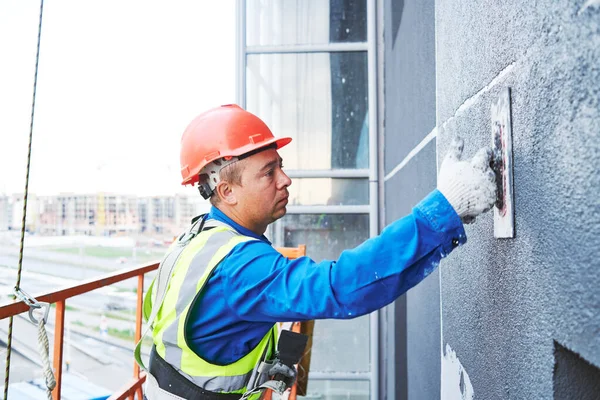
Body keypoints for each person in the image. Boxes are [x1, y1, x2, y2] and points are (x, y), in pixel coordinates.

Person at [136, 104, 497, 400]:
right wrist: (443, 210)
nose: (285, 180)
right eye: (268, 172)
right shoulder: (240, 269)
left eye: (281, 166)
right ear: (227, 191)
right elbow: (339, 287)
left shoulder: (195, 239)